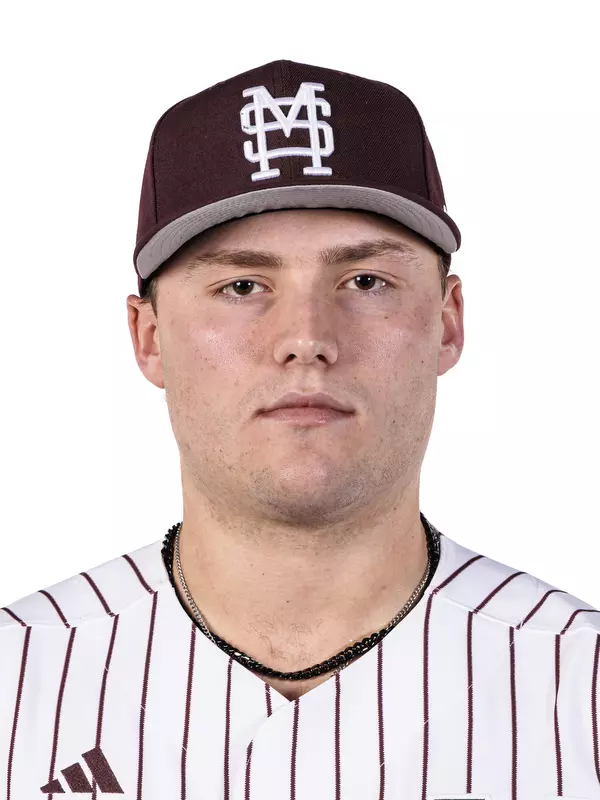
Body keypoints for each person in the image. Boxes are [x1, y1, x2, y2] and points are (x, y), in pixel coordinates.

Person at [1, 59, 598, 800]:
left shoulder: (582, 687)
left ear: (447, 323)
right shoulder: (16, 681)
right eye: (242, 286)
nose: (306, 338)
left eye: (365, 282)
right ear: (148, 338)